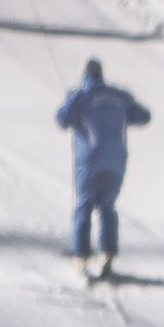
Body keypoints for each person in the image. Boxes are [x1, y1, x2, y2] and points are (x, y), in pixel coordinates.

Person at [55, 59, 151, 282]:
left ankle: (80, 256)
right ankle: (107, 254)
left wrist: (72, 101)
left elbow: (62, 120)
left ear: (85, 75)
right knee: (108, 206)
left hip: (88, 161)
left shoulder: (80, 96)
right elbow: (144, 116)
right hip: (116, 160)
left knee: (84, 205)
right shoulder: (119, 95)